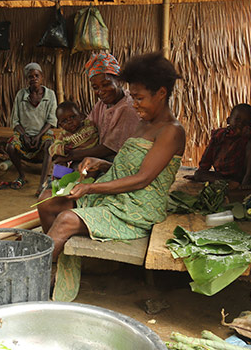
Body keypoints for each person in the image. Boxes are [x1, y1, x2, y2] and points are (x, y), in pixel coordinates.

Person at [38, 52, 185, 262]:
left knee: (66, 220)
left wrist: (90, 187)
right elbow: (128, 166)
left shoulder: (171, 131)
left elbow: (143, 178)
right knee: (46, 202)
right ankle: (56, 258)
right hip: (116, 197)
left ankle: (42, 272)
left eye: (139, 98)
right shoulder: (144, 123)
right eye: (133, 98)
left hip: (136, 209)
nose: (134, 104)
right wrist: (102, 164)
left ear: (161, 93)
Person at [58, 52, 141, 165]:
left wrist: (71, 156)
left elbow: (109, 149)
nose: (101, 91)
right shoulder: (102, 105)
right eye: (95, 87)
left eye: (106, 84)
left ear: (119, 81)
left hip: (122, 163)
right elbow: (87, 126)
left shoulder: (128, 108)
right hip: (102, 157)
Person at [4, 62, 57, 195]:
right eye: (30, 76)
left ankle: (42, 183)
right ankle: (22, 175)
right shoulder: (21, 95)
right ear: (27, 79)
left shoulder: (50, 95)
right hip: (25, 134)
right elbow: (15, 121)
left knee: (49, 145)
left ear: (42, 77)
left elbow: (52, 120)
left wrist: (39, 136)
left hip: (43, 133)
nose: (34, 78)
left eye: (36, 75)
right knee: (10, 146)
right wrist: (24, 135)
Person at [189, 103, 251, 190]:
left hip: (241, 175)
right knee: (199, 174)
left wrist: (245, 132)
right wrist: (202, 171)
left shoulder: (247, 136)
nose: (240, 123)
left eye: (245, 122)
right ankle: (228, 183)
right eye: (237, 119)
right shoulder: (219, 135)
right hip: (221, 175)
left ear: (250, 125)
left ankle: (246, 182)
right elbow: (208, 155)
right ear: (229, 120)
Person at [49, 101, 99, 172]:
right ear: (61, 125)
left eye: (73, 117)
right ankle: (61, 180)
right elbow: (52, 148)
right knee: (61, 164)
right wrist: (63, 148)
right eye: (64, 121)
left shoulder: (89, 125)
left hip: (95, 156)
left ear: (81, 116)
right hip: (77, 159)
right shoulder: (64, 135)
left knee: (91, 170)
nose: (70, 122)